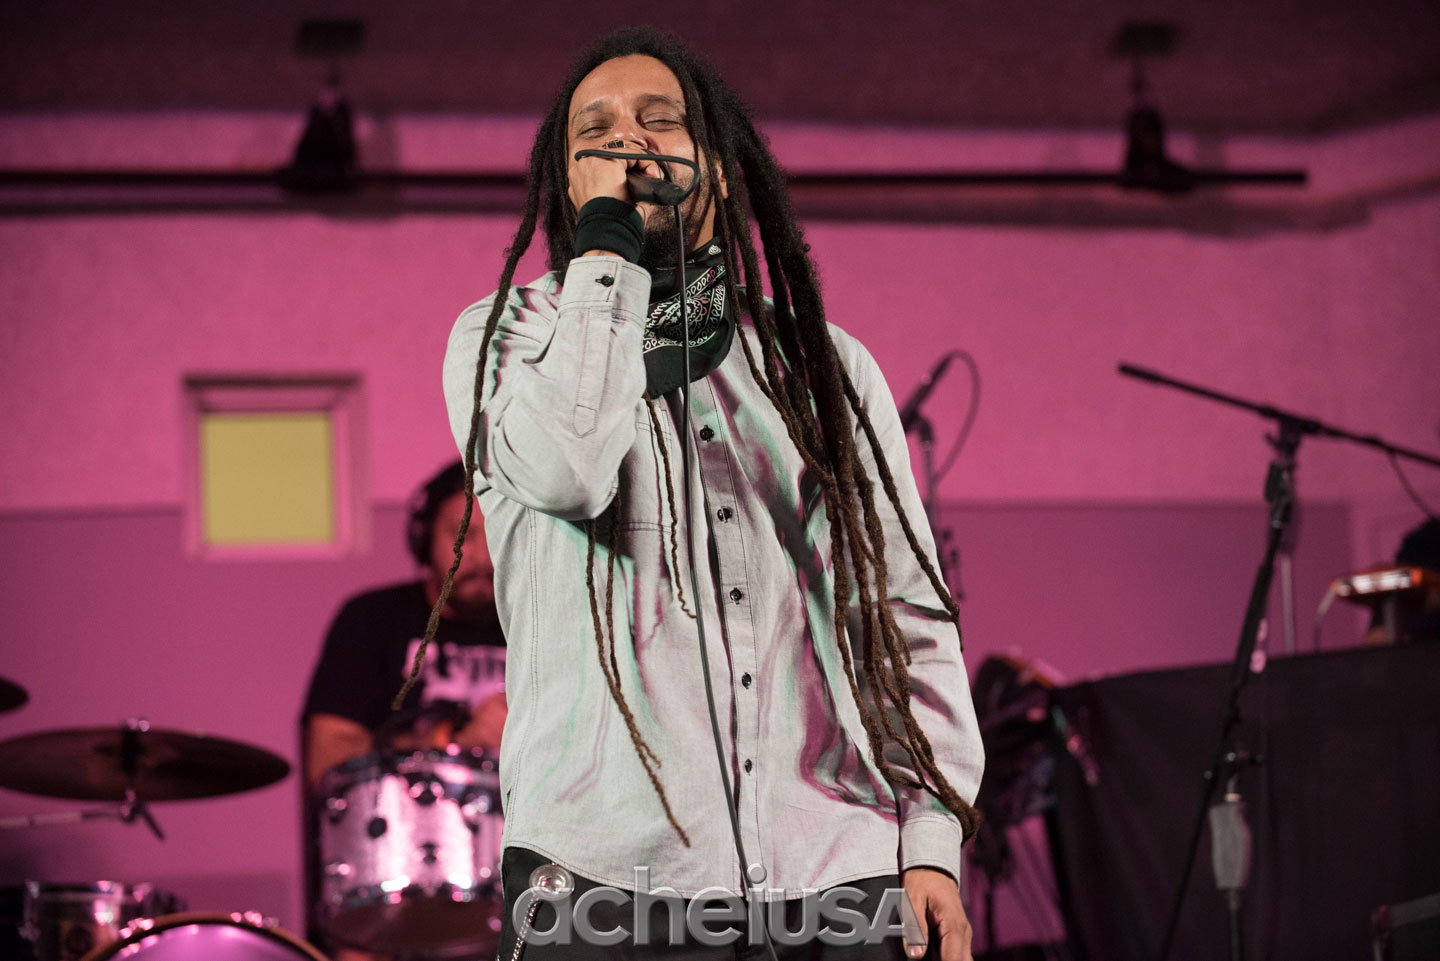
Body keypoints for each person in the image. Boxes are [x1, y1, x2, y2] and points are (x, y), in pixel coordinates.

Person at [440, 28, 983, 960]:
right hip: (606, 878)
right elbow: (568, 470)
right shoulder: (506, 338)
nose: (628, 141)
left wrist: (930, 836)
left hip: (837, 865)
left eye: (660, 121)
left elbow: (902, 615)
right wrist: (607, 255)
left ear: (721, 173)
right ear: (568, 183)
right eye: (595, 134)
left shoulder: (825, 365)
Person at [301, 460, 508, 960]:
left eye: (498, 534)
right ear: (423, 539)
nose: (482, 556)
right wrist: (455, 745)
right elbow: (328, 761)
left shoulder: (543, 625)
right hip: (392, 891)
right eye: (464, 535)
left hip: (521, 885)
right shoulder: (372, 620)